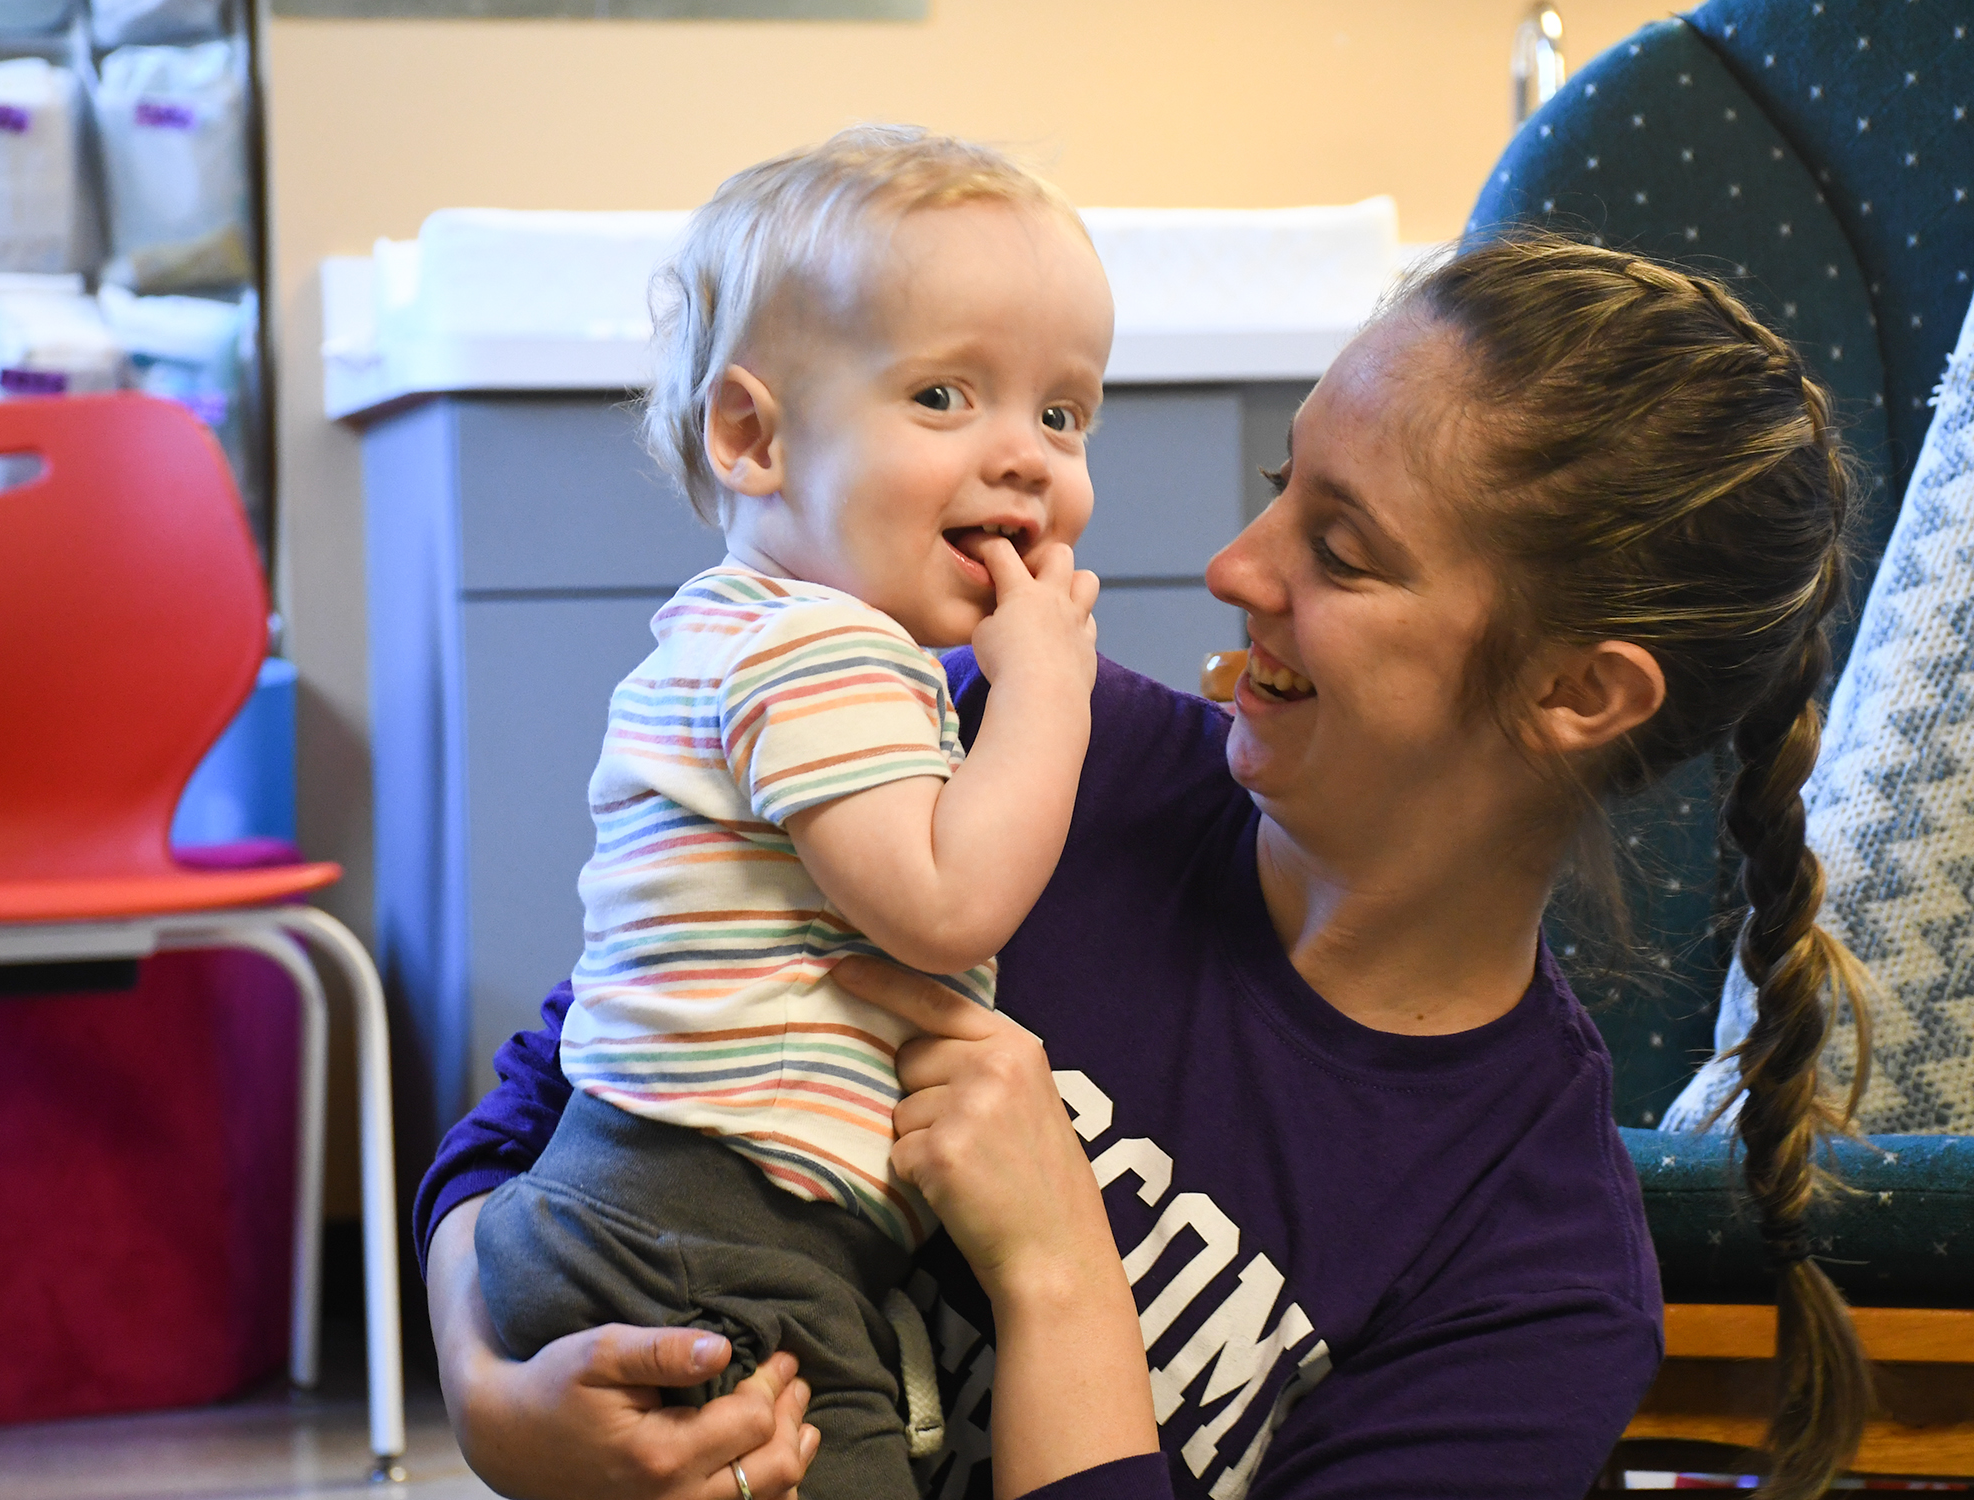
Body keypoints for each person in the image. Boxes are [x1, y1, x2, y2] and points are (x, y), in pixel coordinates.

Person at [418, 233, 1872, 1500]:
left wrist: (1061, 1277)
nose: (1237, 567)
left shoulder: (1530, 1278)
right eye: (1279, 484)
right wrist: (491, 1391)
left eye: (1344, 550)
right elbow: (558, 1087)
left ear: (1577, 695)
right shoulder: (1043, 767)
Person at [466, 126, 1115, 1500]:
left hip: (632, 1202)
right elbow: (946, 906)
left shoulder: (748, 639)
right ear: (753, 437)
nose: (1026, 459)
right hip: (713, 1236)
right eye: (945, 395)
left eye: (1063, 414)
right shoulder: (820, 652)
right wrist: (1052, 688)